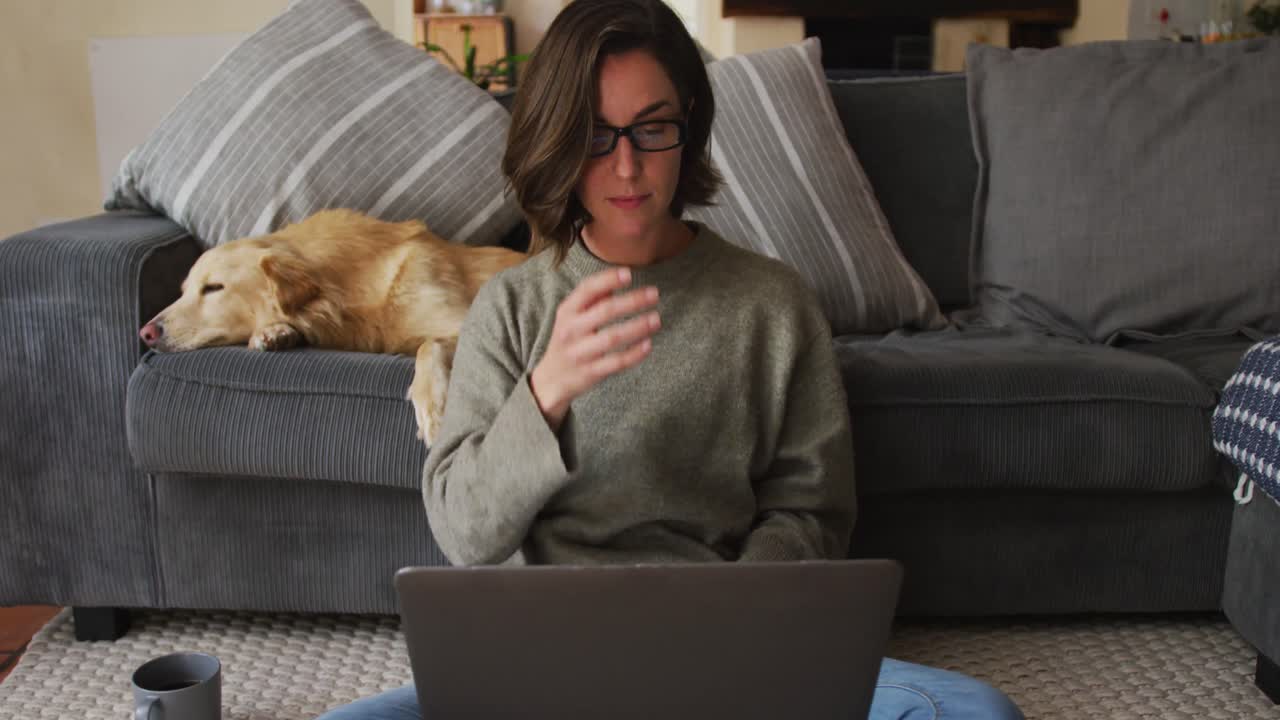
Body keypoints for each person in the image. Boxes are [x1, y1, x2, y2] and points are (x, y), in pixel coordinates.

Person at [317, 1, 1024, 717]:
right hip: (548, 655)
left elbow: (812, 511)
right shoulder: (510, 307)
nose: (627, 168)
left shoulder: (771, 302)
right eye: (596, 136)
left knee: (973, 712)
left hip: (732, 651)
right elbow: (466, 535)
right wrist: (547, 391)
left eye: (652, 128)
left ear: (688, 126)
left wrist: (728, 620)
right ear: (559, 142)